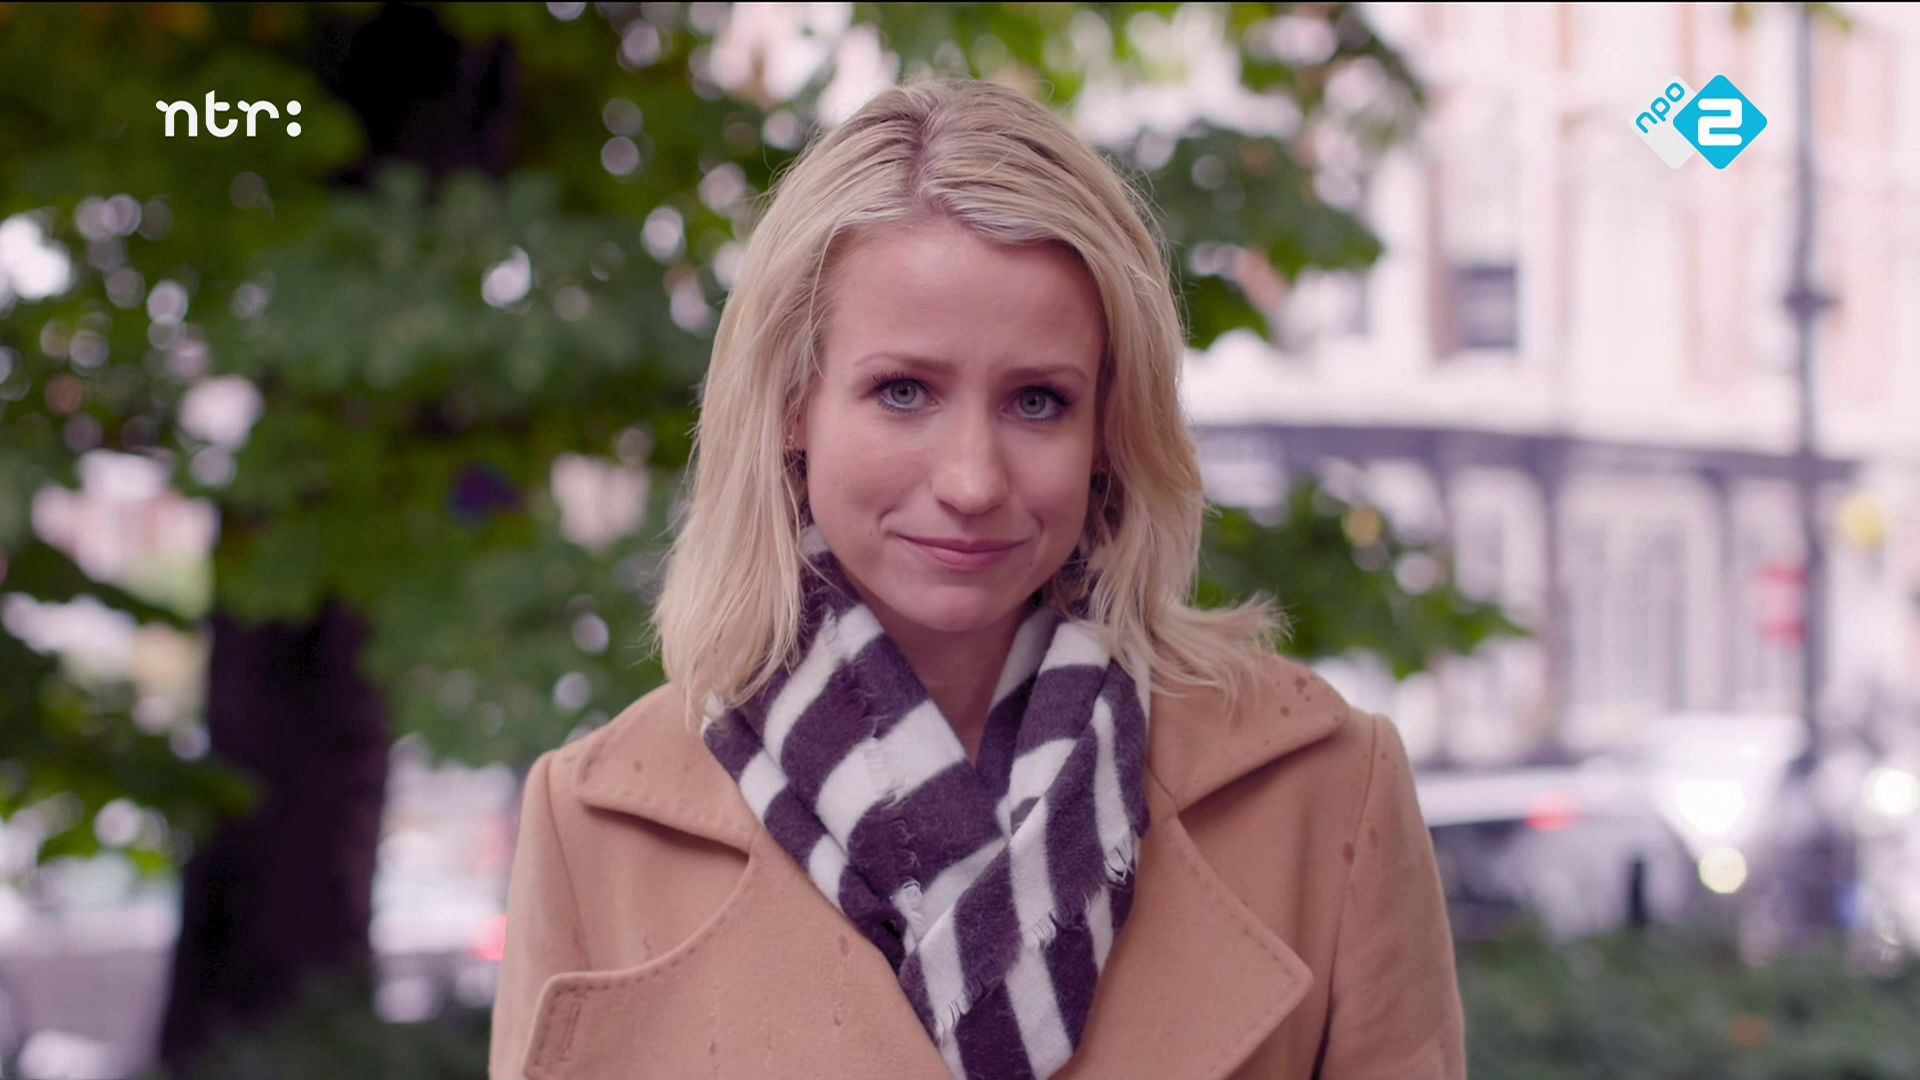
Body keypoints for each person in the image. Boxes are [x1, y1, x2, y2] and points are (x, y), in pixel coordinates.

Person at [490, 77, 1465, 1080]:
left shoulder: (1323, 791)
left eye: (1037, 401)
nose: (971, 482)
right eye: (903, 391)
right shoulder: (597, 826)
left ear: (1108, 428)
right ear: (793, 404)